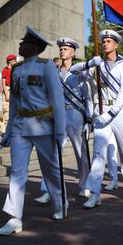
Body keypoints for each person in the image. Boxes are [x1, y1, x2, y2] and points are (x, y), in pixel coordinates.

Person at [0, 26, 66, 236]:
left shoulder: (46, 67)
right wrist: (8, 132)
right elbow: (15, 103)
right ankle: (14, 218)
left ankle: (60, 202)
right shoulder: (16, 69)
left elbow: (57, 100)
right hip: (20, 128)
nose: (19, 44)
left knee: (50, 170)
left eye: (23, 42)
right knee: (17, 173)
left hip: (44, 126)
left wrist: (59, 131)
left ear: (33, 47)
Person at [71, 30, 123, 209]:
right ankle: (95, 193)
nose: (106, 44)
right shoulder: (97, 65)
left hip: (120, 111)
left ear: (116, 45)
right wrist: (88, 64)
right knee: (98, 153)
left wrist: (112, 112)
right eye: (104, 41)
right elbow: (72, 69)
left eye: (109, 41)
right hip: (101, 112)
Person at [34, 37, 93, 204]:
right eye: (61, 48)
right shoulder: (55, 72)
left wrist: (89, 119)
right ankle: (48, 189)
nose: (62, 51)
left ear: (73, 53)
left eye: (66, 49)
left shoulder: (80, 73)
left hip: (75, 114)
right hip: (59, 115)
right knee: (52, 152)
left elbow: (88, 97)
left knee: (80, 152)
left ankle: (85, 184)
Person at [1, 54, 17, 134]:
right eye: (14, 60)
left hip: (14, 90)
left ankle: (12, 130)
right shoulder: (5, 70)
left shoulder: (15, 69)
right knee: (6, 110)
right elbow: (3, 83)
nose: (15, 61)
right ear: (9, 61)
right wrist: (6, 94)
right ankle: (5, 130)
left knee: (13, 111)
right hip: (7, 89)